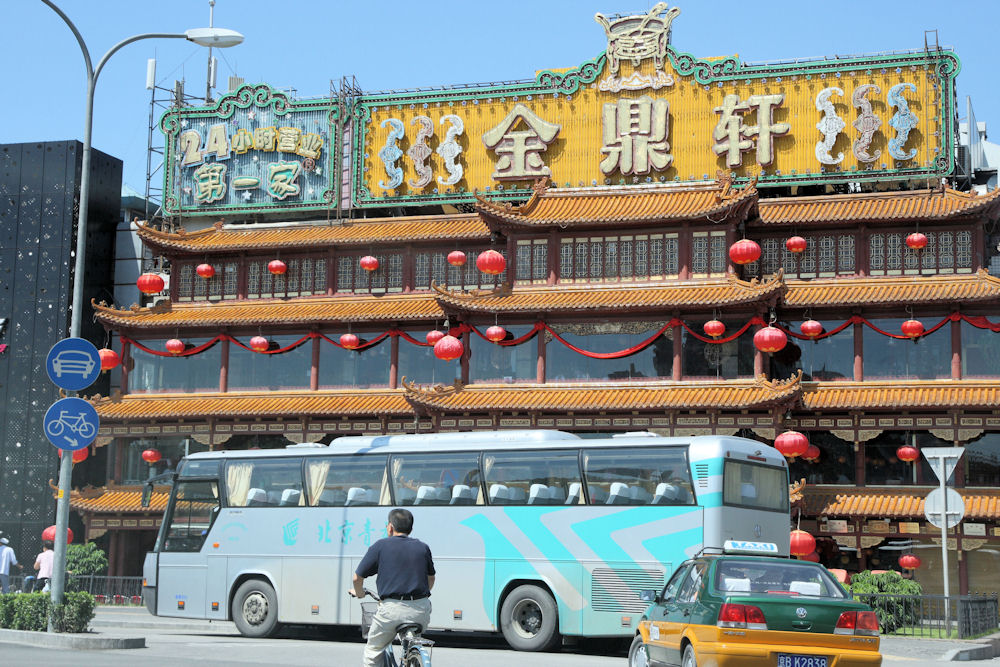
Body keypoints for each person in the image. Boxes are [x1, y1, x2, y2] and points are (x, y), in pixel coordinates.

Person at [349, 508, 435, 667]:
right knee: (411, 640)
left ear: (390, 527)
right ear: (411, 528)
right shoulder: (423, 547)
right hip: (421, 610)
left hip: (391, 610)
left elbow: (357, 578)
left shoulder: (381, 546)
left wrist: (359, 593)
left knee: (373, 650)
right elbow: (431, 578)